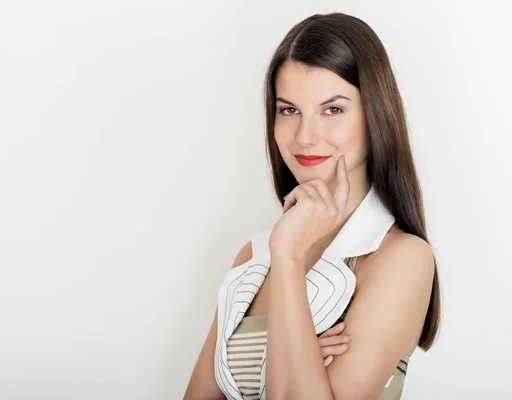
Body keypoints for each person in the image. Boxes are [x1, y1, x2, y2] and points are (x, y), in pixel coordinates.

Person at [184, 11, 440, 400]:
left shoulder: (401, 258)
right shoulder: (251, 257)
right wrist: (292, 364)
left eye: (332, 109)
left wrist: (288, 258)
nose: (305, 136)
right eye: (289, 110)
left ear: (375, 116)